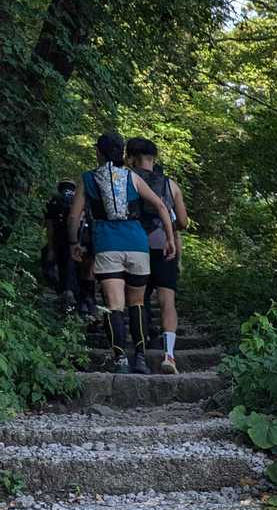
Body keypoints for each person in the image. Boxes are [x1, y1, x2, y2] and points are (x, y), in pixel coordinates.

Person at [67, 132, 176, 374]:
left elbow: (74, 216)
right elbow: (160, 205)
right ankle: (140, 358)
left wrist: (74, 242)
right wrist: (170, 238)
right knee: (137, 303)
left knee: (114, 305)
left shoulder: (88, 179)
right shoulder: (132, 177)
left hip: (107, 245)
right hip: (137, 245)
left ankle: (120, 360)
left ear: (98, 152)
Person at [125, 137, 188, 373]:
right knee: (167, 300)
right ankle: (169, 355)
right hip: (164, 246)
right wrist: (169, 229)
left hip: (134, 245)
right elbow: (183, 221)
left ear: (131, 158)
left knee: (137, 300)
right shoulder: (171, 185)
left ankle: (139, 351)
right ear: (154, 158)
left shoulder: (126, 180)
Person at [42, 181, 78, 311]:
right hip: (76, 239)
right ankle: (71, 294)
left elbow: (50, 226)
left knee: (56, 265)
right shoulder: (77, 199)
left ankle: (61, 291)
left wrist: (51, 248)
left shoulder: (54, 200)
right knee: (71, 266)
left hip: (58, 238)